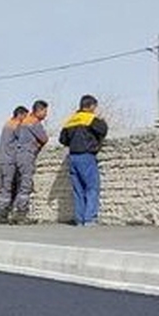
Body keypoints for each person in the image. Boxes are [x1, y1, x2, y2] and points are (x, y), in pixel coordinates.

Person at [58, 94, 109, 226]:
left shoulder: (71, 120)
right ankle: (90, 219)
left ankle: (79, 219)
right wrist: (101, 121)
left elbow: (62, 139)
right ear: (91, 106)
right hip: (86, 156)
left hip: (73, 157)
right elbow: (103, 130)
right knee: (92, 187)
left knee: (78, 190)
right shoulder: (90, 118)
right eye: (94, 107)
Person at [10, 99, 49, 224]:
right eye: (45, 111)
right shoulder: (33, 122)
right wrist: (37, 144)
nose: (46, 114)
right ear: (39, 110)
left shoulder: (23, 122)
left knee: (20, 185)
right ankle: (21, 215)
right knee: (26, 185)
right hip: (27, 155)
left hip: (18, 155)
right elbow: (44, 138)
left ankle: (14, 214)